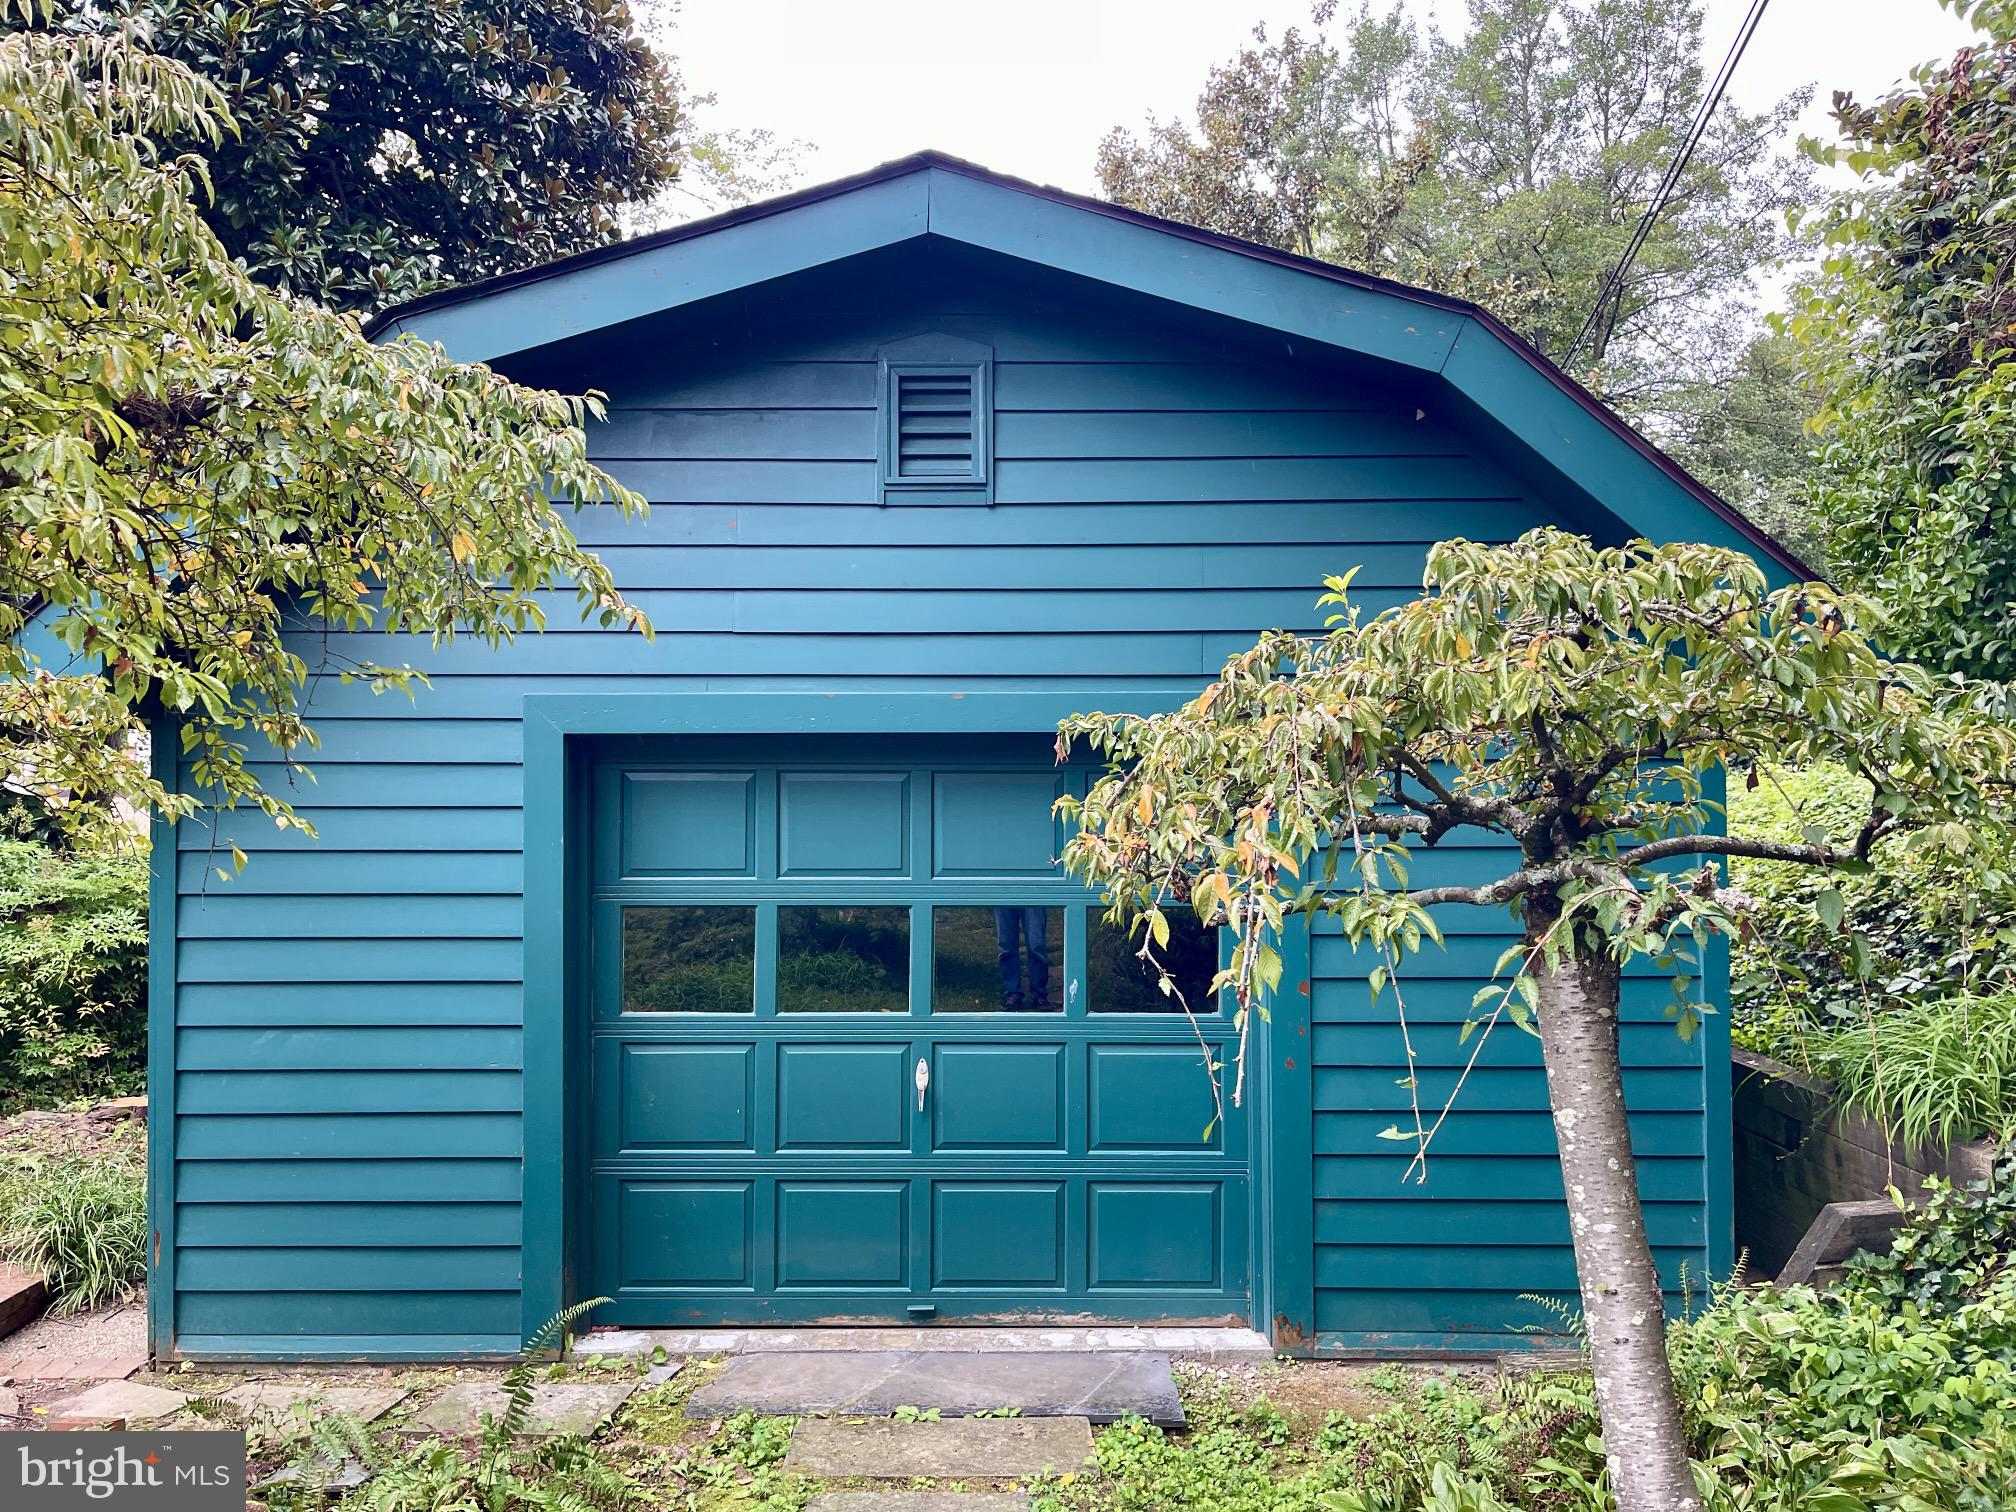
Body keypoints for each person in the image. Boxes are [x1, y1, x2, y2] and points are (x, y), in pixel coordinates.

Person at [993, 906, 1052, 1010]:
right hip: (1003, 892)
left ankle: (1039, 994)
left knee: (1036, 945)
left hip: (1034, 892)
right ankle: (1012, 994)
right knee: (1006, 946)